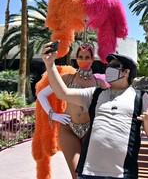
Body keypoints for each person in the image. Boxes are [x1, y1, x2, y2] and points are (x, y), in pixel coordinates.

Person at [41, 42, 148, 179]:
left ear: (126, 72)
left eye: (114, 66)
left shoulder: (140, 96)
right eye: (108, 66)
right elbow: (63, 93)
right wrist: (50, 65)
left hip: (122, 173)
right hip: (89, 171)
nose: (109, 69)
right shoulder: (95, 93)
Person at [37, 43, 108, 179]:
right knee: (77, 175)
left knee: (91, 173)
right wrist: (54, 114)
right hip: (68, 129)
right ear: (76, 58)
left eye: (87, 57)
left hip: (91, 130)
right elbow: (41, 94)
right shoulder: (67, 78)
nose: (84, 59)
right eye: (81, 56)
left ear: (93, 59)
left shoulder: (100, 83)